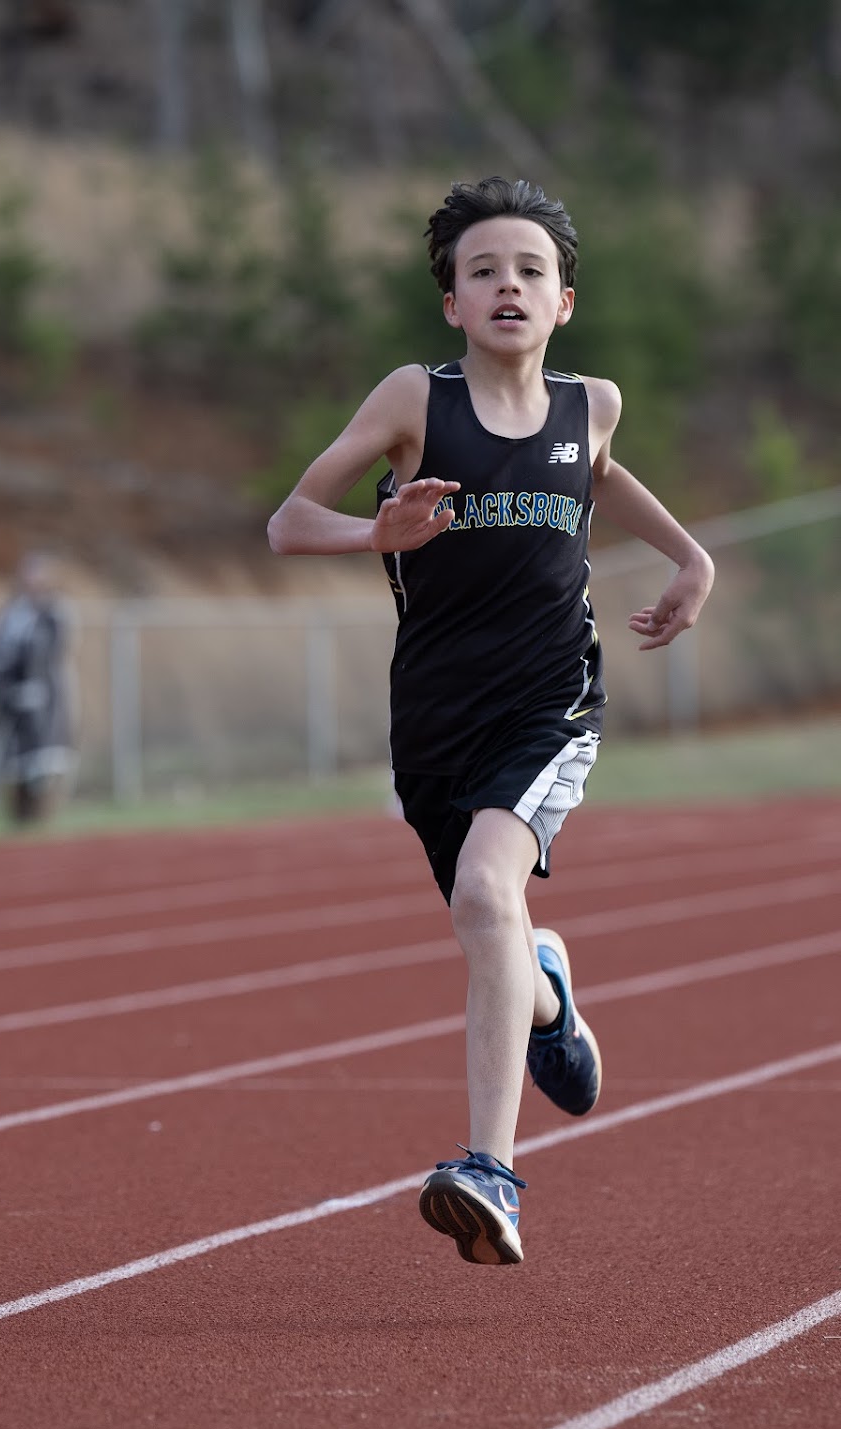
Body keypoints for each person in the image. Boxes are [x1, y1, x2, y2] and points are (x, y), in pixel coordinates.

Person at [267, 177, 714, 1267]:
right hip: (433, 714)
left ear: (563, 301)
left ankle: (489, 1169)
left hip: (549, 701)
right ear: (452, 304)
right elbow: (289, 522)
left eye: (529, 270)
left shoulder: (590, 402)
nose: (507, 285)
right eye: (483, 271)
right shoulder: (414, 400)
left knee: (482, 892)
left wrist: (689, 556)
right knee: (490, 921)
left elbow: (599, 476)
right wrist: (377, 536)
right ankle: (548, 999)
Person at [0, 550, 76, 824]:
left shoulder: (52, 612)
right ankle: (17, 817)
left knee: (43, 763)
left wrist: (34, 680)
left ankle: (42, 815)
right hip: (10, 697)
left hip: (42, 699)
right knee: (11, 759)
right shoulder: (11, 613)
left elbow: (52, 648)